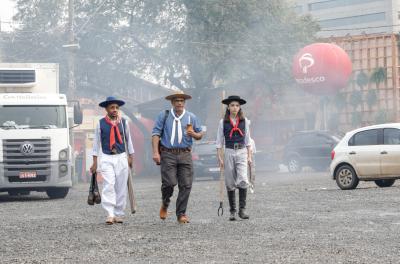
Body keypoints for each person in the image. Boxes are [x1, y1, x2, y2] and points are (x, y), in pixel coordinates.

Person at [151, 91, 203, 224]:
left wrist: (194, 134)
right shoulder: (164, 115)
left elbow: (200, 134)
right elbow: (156, 133)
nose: (179, 103)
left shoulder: (191, 117)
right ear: (172, 103)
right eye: (177, 100)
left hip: (185, 153)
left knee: (186, 185)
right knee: (169, 183)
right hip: (168, 153)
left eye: (182, 101)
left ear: (184, 103)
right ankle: (165, 202)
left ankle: (181, 214)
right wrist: (155, 153)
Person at [90, 96, 134, 225]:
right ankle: (110, 213)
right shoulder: (100, 123)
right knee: (108, 185)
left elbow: (129, 140)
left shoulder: (124, 122)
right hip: (106, 157)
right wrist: (94, 161)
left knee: (121, 186)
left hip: (121, 157)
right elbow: (96, 144)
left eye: (116, 107)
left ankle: (119, 214)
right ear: (106, 109)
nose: (115, 110)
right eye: (112, 107)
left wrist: (131, 157)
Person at [216, 95, 252, 221]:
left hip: (242, 151)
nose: (235, 108)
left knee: (243, 179)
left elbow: (248, 140)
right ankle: (232, 211)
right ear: (228, 107)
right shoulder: (223, 122)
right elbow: (219, 142)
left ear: (240, 107)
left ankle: (242, 210)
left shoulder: (245, 121)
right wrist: (220, 158)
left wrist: (249, 156)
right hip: (229, 151)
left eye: (237, 105)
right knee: (230, 182)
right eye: (232, 105)